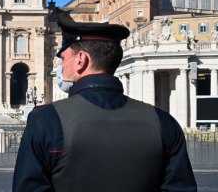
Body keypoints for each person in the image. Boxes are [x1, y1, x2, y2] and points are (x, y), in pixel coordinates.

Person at [13, 13, 196, 192]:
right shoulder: (163, 122)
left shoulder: (46, 120)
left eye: (63, 59)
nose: (60, 66)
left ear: (81, 60)